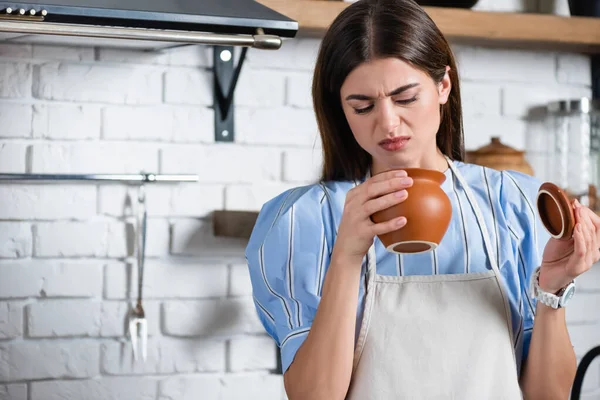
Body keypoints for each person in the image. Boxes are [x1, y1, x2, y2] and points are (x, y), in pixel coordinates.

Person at [244, 0, 599, 398]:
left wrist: (553, 287)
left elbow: (546, 395)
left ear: (443, 86)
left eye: (406, 98)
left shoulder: (515, 204)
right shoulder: (303, 220)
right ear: (339, 109)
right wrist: (345, 257)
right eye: (362, 106)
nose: (388, 123)